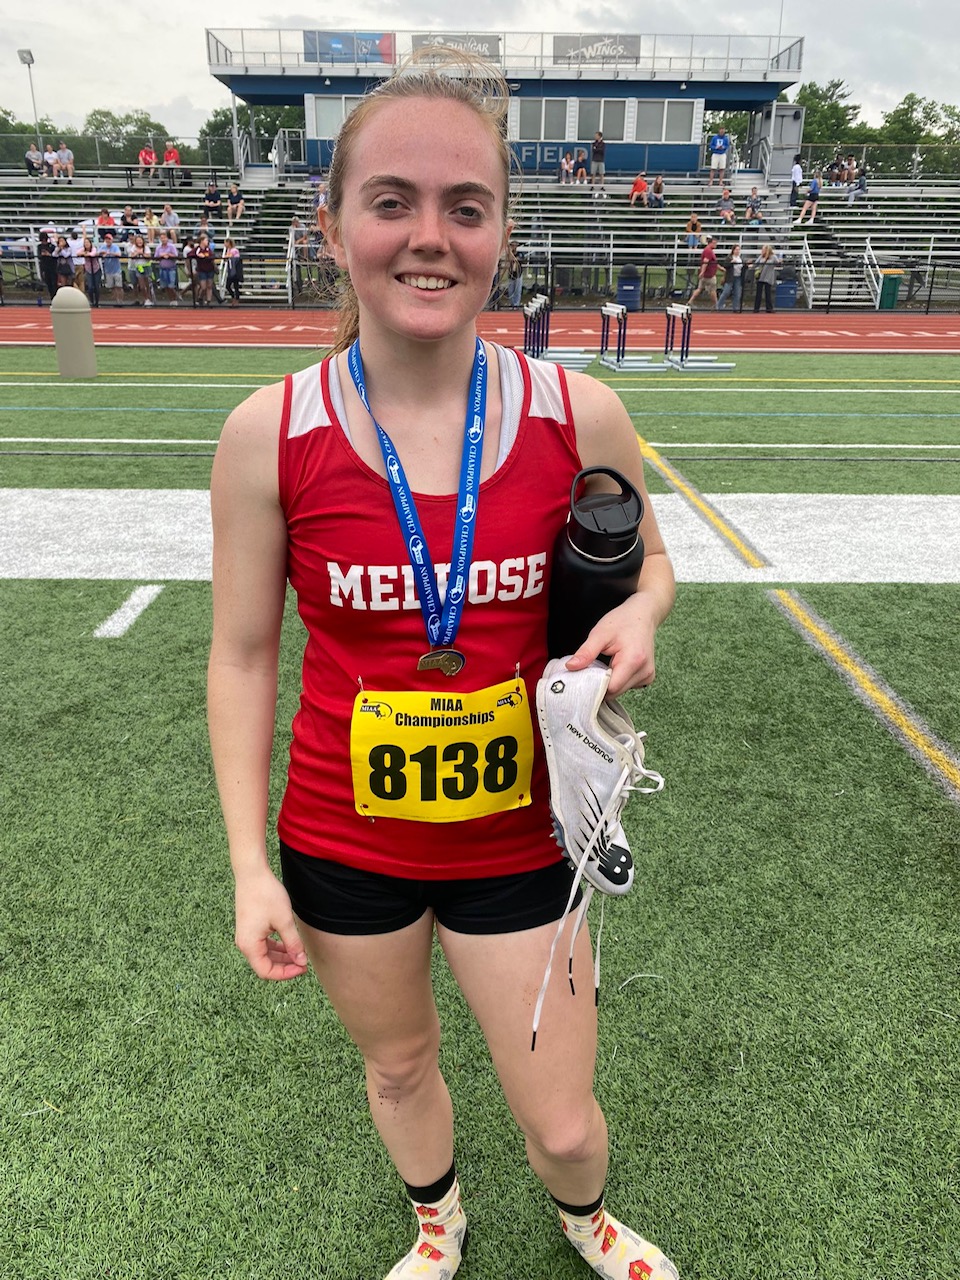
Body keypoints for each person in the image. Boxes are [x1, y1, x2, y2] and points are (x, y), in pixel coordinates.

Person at [207, 50, 678, 1280]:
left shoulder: (579, 413)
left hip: (522, 834)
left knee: (563, 1121)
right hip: (344, 837)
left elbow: (651, 564)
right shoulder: (268, 433)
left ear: (502, 234)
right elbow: (244, 653)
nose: (430, 235)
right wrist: (250, 864)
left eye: (466, 207)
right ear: (333, 227)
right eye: (392, 201)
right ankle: (437, 1217)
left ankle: (584, 1214)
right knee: (400, 1063)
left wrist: (643, 616)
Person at [688, 236, 720, 306]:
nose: (715, 245)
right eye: (714, 243)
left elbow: (713, 262)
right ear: (710, 243)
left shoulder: (708, 250)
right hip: (709, 274)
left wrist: (720, 268)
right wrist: (702, 272)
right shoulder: (708, 251)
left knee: (699, 289)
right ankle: (716, 304)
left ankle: (690, 301)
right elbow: (705, 262)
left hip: (706, 274)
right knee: (712, 290)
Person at [751, 243, 781, 312]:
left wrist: (780, 261)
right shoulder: (761, 256)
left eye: (763, 249)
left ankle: (769, 308)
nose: (762, 251)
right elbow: (756, 263)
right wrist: (751, 265)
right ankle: (756, 308)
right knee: (758, 293)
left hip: (768, 277)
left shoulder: (773, 257)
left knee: (768, 293)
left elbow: (778, 264)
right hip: (761, 276)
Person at [716, 244, 744, 312]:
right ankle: (719, 306)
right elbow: (725, 265)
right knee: (726, 292)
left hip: (738, 277)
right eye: (736, 250)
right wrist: (731, 262)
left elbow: (742, 266)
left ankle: (735, 308)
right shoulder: (729, 257)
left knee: (737, 293)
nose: (737, 251)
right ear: (733, 250)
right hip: (730, 277)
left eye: (738, 250)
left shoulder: (740, 258)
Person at [154, 230, 180, 303]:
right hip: (162, 268)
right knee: (165, 286)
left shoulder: (171, 246)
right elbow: (155, 257)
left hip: (171, 268)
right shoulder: (158, 247)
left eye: (164, 238)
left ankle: (175, 299)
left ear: (167, 238)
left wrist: (168, 255)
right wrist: (161, 255)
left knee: (171, 285)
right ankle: (171, 300)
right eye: (161, 238)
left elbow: (176, 255)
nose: (163, 239)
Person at [127, 234, 154, 305]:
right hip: (139, 267)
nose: (139, 242)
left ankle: (150, 298)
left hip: (146, 267)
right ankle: (146, 299)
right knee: (142, 286)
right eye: (138, 240)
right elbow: (132, 256)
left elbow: (148, 256)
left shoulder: (146, 247)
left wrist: (142, 253)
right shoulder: (134, 247)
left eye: (140, 240)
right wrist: (137, 253)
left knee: (147, 284)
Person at [100, 232, 125, 305]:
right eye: (106, 239)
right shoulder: (103, 247)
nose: (108, 241)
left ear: (112, 240)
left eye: (109, 239)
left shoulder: (115, 247)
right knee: (112, 287)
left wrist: (110, 253)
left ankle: (121, 301)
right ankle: (116, 300)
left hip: (116, 269)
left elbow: (119, 254)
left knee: (119, 286)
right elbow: (97, 253)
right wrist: (102, 252)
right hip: (108, 270)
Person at [193, 232, 216, 304]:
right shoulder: (197, 249)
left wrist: (208, 257)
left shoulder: (208, 249)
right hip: (202, 270)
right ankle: (200, 297)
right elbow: (190, 254)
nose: (207, 242)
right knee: (203, 287)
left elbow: (212, 256)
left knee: (209, 286)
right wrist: (198, 255)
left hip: (210, 269)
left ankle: (208, 301)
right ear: (202, 241)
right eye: (206, 240)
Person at [81, 236, 102, 307]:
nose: (86, 244)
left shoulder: (93, 248)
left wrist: (87, 254)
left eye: (87, 242)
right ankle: (92, 301)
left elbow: (93, 254)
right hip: (88, 270)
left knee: (96, 286)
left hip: (96, 269)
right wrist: (84, 253)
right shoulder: (83, 249)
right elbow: (78, 253)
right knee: (90, 287)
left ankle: (97, 302)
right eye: (85, 243)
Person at [37, 231, 59, 299]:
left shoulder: (52, 246)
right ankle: (52, 296)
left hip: (52, 266)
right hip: (44, 266)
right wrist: (42, 254)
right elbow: (39, 256)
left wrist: (49, 254)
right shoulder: (39, 246)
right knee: (48, 282)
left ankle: (55, 296)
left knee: (54, 282)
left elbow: (55, 256)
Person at [223, 238, 243, 306]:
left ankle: (236, 299)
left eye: (225, 243)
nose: (224, 244)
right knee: (228, 286)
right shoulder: (229, 250)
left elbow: (229, 256)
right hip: (231, 270)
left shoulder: (234, 250)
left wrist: (225, 257)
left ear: (229, 243)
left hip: (235, 270)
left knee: (235, 286)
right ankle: (234, 297)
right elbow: (227, 259)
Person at [590, 130, 606, 197]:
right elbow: (593, 150)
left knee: (601, 173)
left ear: (599, 136)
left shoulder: (603, 144)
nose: (595, 136)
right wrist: (597, 149)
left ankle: (602, 186)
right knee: (593, 173)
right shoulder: (594, 143)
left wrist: (597, 149)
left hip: (601, 160)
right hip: (594, 159)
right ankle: (592, 186)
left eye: (596, 135)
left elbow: (602, 151)